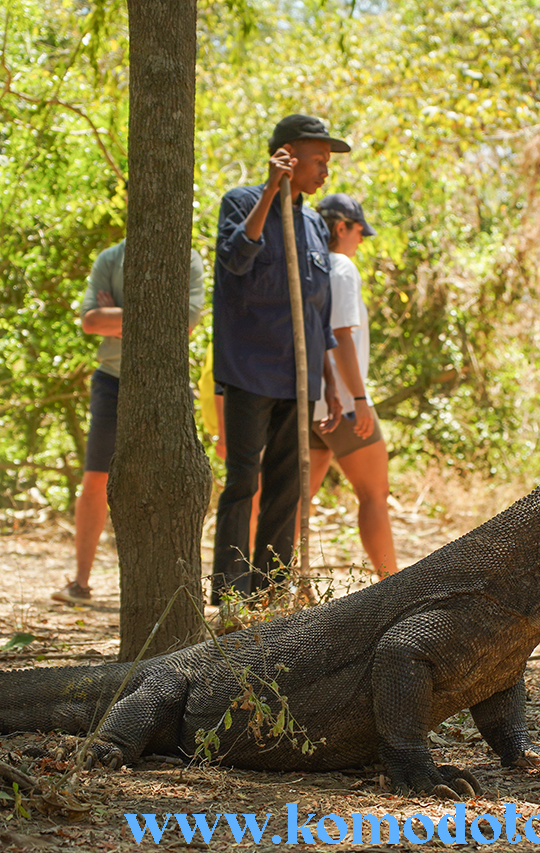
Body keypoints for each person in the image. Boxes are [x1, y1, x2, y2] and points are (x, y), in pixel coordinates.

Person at [209, 114, 344, 602]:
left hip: (298, 376)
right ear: (287, 156)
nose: (325, 171)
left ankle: (271, 591)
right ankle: (229, 593)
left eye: (328, 162)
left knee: (288, 488)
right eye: (318, 160)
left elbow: (318, 310)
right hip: (249, 370)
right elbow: (235, 259)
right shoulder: (243, 201)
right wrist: (271, 191)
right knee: (243, 481)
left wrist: (328, 381)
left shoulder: (312, 222)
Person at [50, 239, 205, 606]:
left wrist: (118, 315)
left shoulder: (188, 258)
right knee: (95, 481)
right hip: (111, 380)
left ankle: (173, 589)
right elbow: (90, 321)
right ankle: (81, 583)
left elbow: (185, 321)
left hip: (166, 379)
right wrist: (154, 314)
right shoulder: (110, 258)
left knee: (171, 481)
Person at [308, 193, 396, 577]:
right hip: (342, 401)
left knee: (297, 501)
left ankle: (279, 587)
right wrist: (358, 398)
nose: (362, 240)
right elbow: (341, 336)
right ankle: (393, 588)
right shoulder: (340, 265)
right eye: (360, 231)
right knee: (374, 495)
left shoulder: (306, 265)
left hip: (310, 402)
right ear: (341, 227)